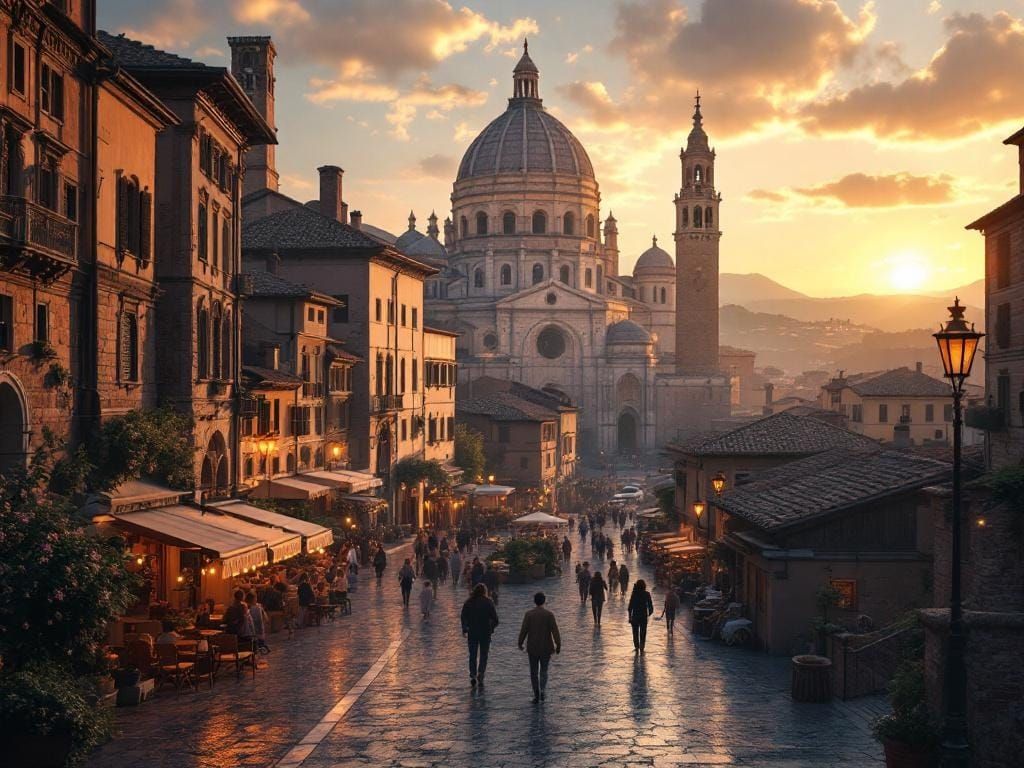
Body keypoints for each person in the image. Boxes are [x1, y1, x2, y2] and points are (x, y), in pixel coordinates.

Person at [517, 592, 561, 703]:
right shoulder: (549, 614)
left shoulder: (529, 614)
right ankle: (542, 689)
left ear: (534, 601)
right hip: (546, 647)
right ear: (544, 601)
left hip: (532, 647)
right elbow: (555, 631)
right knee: (544, 670)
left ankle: (536, 692)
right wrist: (558, 644)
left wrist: (520, 642)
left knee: (533, 671)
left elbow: (524, 630)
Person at [461, 583, 499, 687]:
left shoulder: (469, 602)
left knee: (472, 655)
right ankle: (481, 673)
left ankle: (473, 674)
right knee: (484, 655)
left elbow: (463, 616)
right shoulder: (488, 602)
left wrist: (465, 628)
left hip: (472, 632)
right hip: (485, 632)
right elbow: (495, 619)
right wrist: (491, 629)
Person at [628, 579, 655, 652]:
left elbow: (630, 607)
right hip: (643, 616)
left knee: (635, 632)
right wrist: (649, 613)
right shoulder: (647, 594)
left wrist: (629, 617)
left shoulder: (634, 594)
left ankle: (636, 646)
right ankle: (642, 646)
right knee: (643, 632)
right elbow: (650, 606)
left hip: (635, 616)